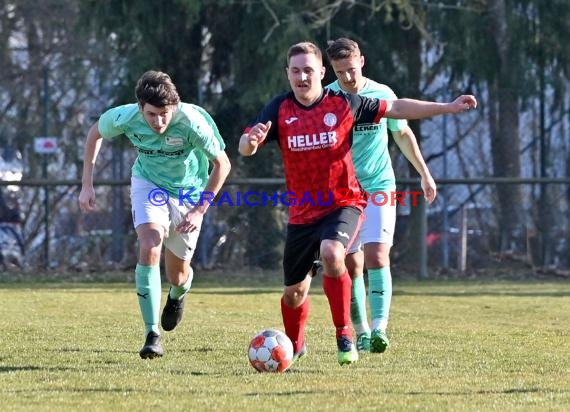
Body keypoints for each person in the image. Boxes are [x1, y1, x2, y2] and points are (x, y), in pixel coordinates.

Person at [238, 41, 476, 365]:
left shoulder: (344, 103)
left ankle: (349, 332)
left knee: (338, 253)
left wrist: (447, 107)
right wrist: (249, 143)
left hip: (346, 201)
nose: (303, 77)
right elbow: (246, 144)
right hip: (303, 211)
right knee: (294, 294)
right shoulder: (280, 109)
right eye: (296, 71)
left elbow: (398, 109)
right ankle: (296, 343)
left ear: (320, 73)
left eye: (309, 70)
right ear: (288, 74)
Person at [78, 70, 231, 359]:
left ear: (174, 108)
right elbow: (94, 133)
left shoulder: (191, 123)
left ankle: (178, 293)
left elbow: (222, 165)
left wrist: (199, 211)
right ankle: (152, 334)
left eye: (164, 114)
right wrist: (87, 184)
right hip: (148, 184)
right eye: (151, 115)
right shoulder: (125, 117)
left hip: (188, 192)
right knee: (149, 243)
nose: (159, 122)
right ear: (140, 108)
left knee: (178, 274)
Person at [325, 37, 437, 353]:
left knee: (377, 255)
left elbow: (402, 133)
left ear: (362, 60)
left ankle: (379, 330)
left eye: (350, 68)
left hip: (379, 187)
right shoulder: (327, 99)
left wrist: (424, 174)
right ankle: (359, 331)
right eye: (339, 71)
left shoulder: (382, 94)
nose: (347, 77)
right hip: (343, 192)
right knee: (350, 264)